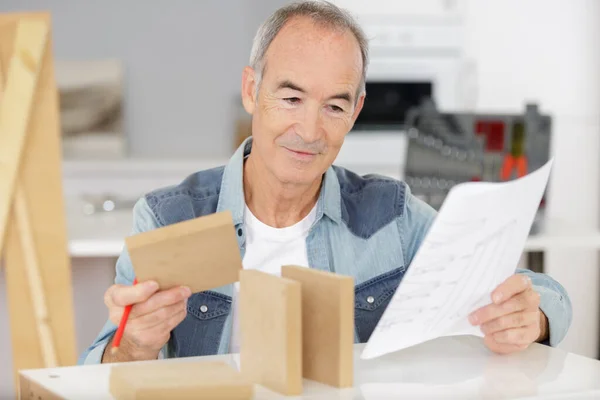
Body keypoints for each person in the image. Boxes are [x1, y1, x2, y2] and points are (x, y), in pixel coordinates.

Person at [79, 0, 571, 365]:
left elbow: (537, 290)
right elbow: (100, 367)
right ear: (253, 90)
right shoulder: (171, 217)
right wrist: (136, 345)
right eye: (291, 99)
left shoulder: (390, 214)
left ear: (355, 111)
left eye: (334, 106)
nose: (311, 132)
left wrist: (534, 315)